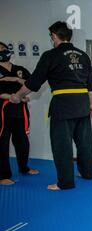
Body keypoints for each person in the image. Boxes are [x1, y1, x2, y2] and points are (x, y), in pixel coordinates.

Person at [11, 21, 92, 190]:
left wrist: (17, 96)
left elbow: (34, 82)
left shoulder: (51, 55)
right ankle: (87, 173)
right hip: (82, 104)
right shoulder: (83, 55)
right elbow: (91, 85)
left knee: (61, 145)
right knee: (85, 142)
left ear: (54, 36)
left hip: (63, 105)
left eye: (51, 36)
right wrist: (91, 104)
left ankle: (65, 182)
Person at [0, 41, 39, 185]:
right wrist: (10, 97)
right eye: (0, 50)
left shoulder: (19, 69)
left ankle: (24, 168)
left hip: (19, 111)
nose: (4, 51)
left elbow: (31, 83)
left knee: (22, 141)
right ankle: (3, 175)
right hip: (3, 110)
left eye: (4, 49)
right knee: (2, 143)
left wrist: (15, 79)